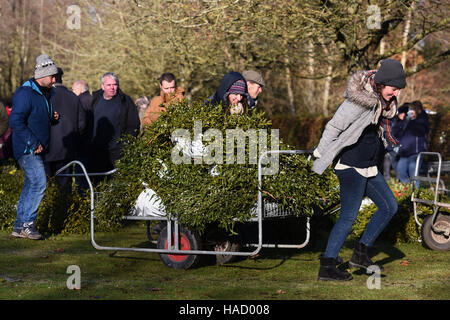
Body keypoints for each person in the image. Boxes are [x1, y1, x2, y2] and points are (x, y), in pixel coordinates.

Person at [313, 59, 406, 281]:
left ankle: (361, 253)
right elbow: (334, 125)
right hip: (350, 165)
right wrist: (320, 153)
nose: (394, 94)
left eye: (398, 91)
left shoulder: (382, 103)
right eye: (393, 89)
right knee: (348, 216)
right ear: (382, 84)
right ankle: (327, 266)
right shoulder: (358, 101)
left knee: (389, 207)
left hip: (368, 166)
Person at [9, 54, 60, 240]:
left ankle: (18, 226)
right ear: (42, 75)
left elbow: (37, 118)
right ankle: (28, 225)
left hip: (37, 148)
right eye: (52, 76)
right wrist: (33, 142)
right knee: (39, 183)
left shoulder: (45, 93)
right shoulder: (25, 93)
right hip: (27, 148)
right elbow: (15, 122)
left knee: (30, 185)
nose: (55, 80)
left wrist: (53, 118)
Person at [43, 68, 86, 192]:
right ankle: (66, 210)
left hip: (47, 149)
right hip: (67, 150)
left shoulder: (44, 97)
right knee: (65, 187)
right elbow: (82, 124)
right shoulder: (73, 97)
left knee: (46, 189)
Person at [89, 72, 140, 175]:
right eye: (109, 85)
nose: (112, 88)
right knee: (97, 183)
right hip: (97, 151)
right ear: (102, 86)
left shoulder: (125, 101)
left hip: (117, 151)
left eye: (114, 84)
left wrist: (125, 144)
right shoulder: (94, 100)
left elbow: (134, 125)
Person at [393, 100, 429, 186]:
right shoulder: (406, 120)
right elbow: (395, 132)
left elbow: (422, 130)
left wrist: (417, 116)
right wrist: (402, 121)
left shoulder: (422, 119)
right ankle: (408, 190)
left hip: (416, 151)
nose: (410, 111)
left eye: (412, 109)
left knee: (414, 174)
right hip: (404, 151)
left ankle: (415, 194)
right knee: (400, 172)